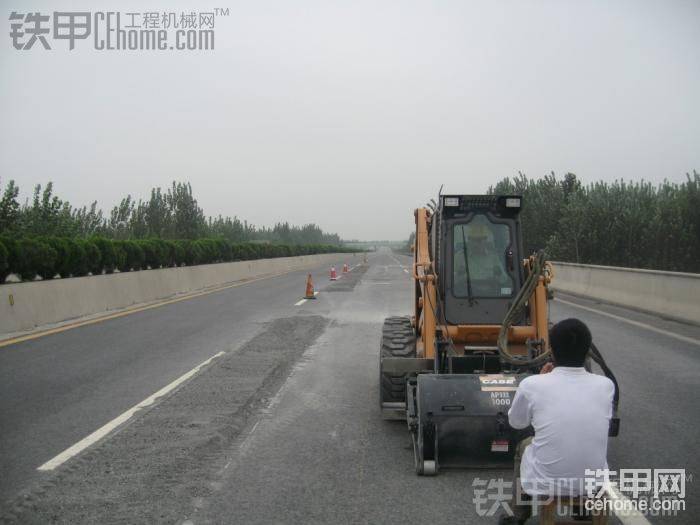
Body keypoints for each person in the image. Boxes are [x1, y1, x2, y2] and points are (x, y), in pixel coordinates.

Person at [498, 318, 615, 525]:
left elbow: (516, 422)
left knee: (524, 446)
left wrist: (541, 380)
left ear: (551, 350)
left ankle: (517, 515)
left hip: (546, 482)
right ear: (587, 351)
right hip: (593, 482)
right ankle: (583, 509)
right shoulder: (606, 386)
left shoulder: (532, 384)